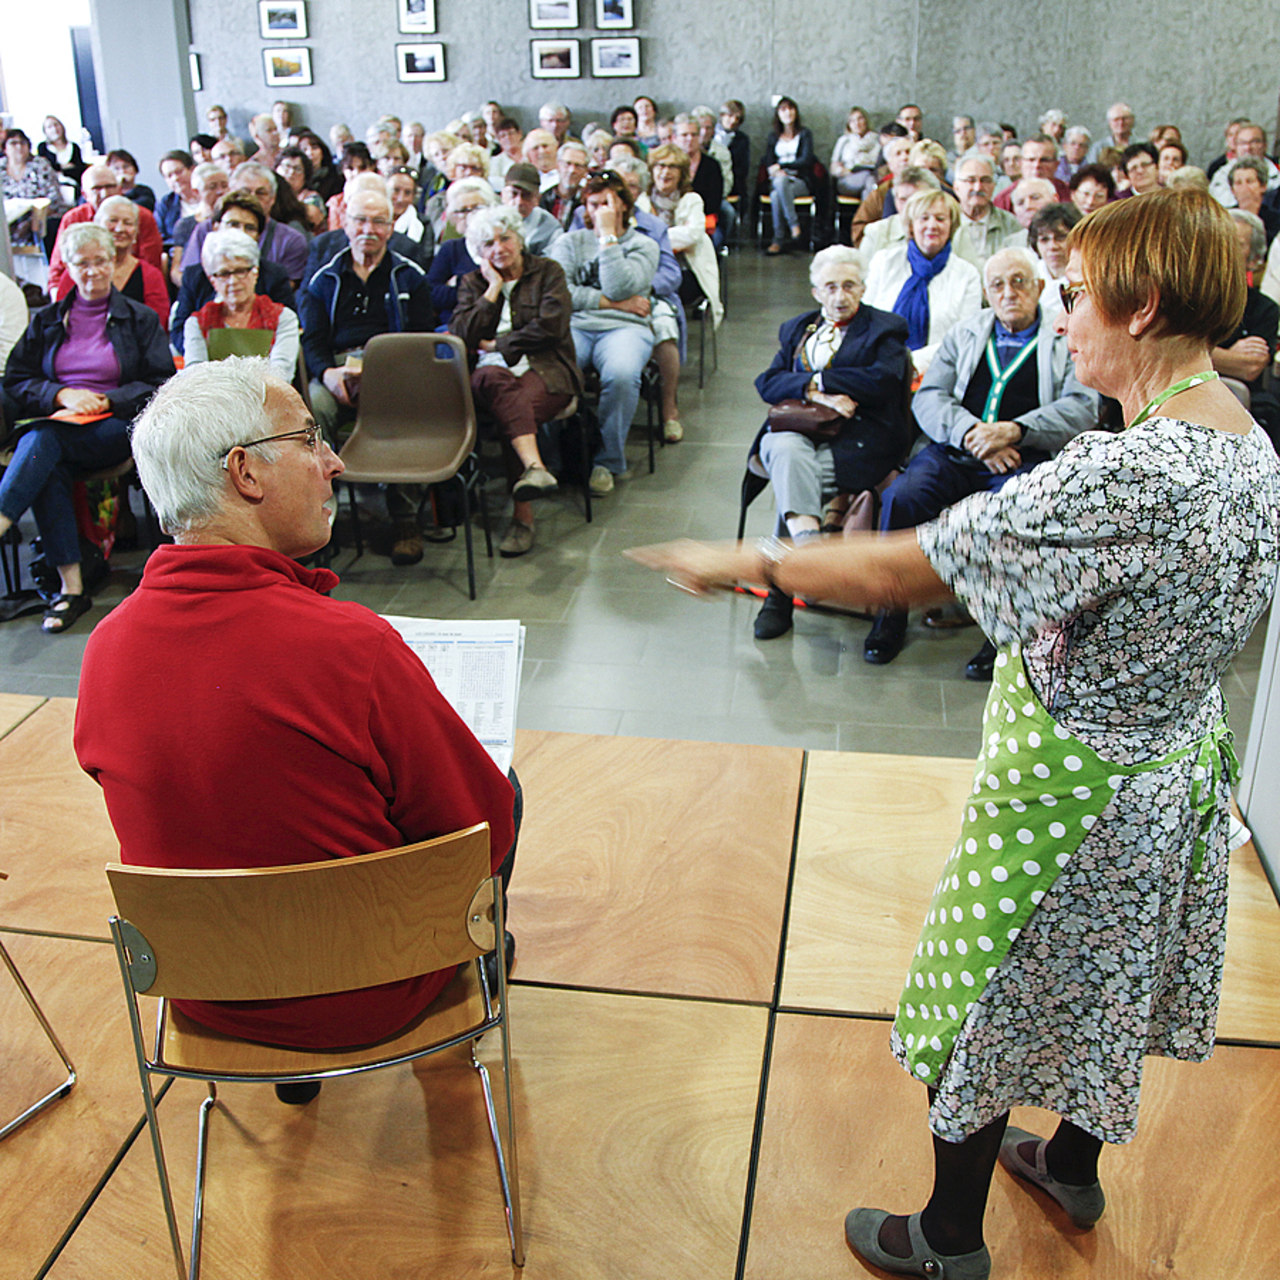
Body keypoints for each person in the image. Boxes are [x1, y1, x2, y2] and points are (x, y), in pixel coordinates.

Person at [631, 184, 1280, 1280]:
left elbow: (915, 561)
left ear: (1140, 305)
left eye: (1074, 296)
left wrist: (756, 562)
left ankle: (944, 1236)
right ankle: (1069, 1164)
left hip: (1074, 801)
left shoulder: (1126, 470)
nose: (1062, 317)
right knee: (1110, 983)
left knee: (979, 1000)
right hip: (1172, 776)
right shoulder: (1247, 444)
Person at [73, 357, 518, 1080]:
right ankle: (486, 966)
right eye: (310, 440)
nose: (334, 462)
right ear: (245, 472)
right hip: (373, 990)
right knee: (507, 788)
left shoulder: (105, 649)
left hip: (207, 991)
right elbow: (477, 832)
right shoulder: (351, 647)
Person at [864, 245, 1098, 671]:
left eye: (1019, 282)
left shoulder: (1062, 339)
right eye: (998, 285)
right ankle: (890, 614)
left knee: (1019, 512)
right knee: (903, 497)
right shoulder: (966, 333)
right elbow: (930, 396)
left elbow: (1083, 406)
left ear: (1040, 286)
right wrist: (973, 433)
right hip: (957, 450)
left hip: (1023, 458)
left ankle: (1003, 635)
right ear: (987, 293)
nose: (1009, 292)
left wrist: (1016, 431)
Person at [1, 224, 174, 634]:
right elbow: (16, 380)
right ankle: (71, 588)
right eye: (83, 263)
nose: (93, 271)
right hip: (60, 423)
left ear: (113, 263)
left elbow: (161, 381)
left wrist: (107, 399)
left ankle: (4, 520)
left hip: (115, 427)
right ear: (68, 267)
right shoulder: (46, 321)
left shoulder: (139, 318)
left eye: (101, 261)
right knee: (48, 456)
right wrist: (61, 395)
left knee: (42, 441)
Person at [748, 246, 911, 641]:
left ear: (864, 287)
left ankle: (780, 593)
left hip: (859, 440)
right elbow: (766, 383)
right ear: (816, 291)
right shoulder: (797, 328)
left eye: (850, 286)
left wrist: (816, 381)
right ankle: (809, 548)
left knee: (790, 476)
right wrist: (817, 391)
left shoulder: (885, 328)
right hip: (796, 431)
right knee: (786, 450)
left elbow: (882, 379)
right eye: (831, 287)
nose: (840, 296)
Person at [298, 185, 434, 564]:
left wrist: (395, 372)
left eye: (378, 221)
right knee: (314, 414)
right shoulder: (324, 279)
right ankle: (321, 517)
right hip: (338, 368)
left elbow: (424, 337)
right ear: (344, 222)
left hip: (395, 369)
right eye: (360, 219)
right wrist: (326, 373)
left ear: (391, 227)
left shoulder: (411, 277)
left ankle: (405, 518)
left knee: (402, 409)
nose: (368, 229)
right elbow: (312, 340)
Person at [451, 205, 583, 558]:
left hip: (547, 369)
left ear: (519, 239)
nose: (499, 248)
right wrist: (492, 289)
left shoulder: (548, 272)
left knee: (514, 410)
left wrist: (499, 344)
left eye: (505, 238)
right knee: (499, 386)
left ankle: (523, 518)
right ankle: (535, 469)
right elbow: (461, 335)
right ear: (479, 252)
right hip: (490, 376)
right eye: (488, 243)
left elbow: (553, 325)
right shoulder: (473, 282)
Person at [548, 169, 658, 496]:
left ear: (623, 205)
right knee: (550, 370)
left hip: (627, 328)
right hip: (577, 324)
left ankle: (608, 461)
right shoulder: (568, 242)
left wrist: (608, 237)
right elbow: (560, 294)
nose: (598, 211)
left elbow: (620, 283)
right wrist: (616, 303)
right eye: (592, 204)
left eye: (606, 203)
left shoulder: (644, 245)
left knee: (622, 374)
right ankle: (550, 459)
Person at [644, 143, 723, 440]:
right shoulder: (641, 198)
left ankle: (668, 397)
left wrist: (656, 239)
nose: (665, 173)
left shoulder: (691, 199)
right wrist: (665, 241)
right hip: (649, 269)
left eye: (672, 168)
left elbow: (692, 234)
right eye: (660, 166)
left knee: (663, 301)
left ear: (681, 173)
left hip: (686, 272)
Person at [863, 189, 983, 377]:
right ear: (911, 226)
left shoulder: (967, 274)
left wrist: (909, 364)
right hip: (876, 365)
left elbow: (962, 338)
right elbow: (864, 320)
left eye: (941, 219)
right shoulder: (884, 262)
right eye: (924, 218)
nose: (932, 225)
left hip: (938, 371)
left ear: (952, 226)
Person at [184, 228, 300, 379]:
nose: (233, 281)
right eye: (224, 273)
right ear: (213, 280)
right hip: (214, 400)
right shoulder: (196, 324)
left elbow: (281, 375)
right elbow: (194, 377)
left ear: (255, 272)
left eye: (240, 271)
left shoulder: (283, 318)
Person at [1212, 209, 1279, 446]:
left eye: (1236, 244)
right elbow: (1167, 351)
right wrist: (1230, 356)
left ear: (1253, 260)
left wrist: (1199, 351)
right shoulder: (1189, 296)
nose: (1225, 249)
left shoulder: (1265, 309)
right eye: (1221, 239)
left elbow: (1250, 367)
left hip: (1241, 403)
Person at [51, 196, 169, 325]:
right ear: (97, 226)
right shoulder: (76, 272)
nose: (120, 229)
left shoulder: (150, 276)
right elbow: (60, 319)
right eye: (112, 221)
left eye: (128, 223)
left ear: (136, 232)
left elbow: (157, 325)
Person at [426, 178, 498, 325]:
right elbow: (431, 294)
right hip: (454, 326)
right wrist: (473, 287)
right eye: (463, 210)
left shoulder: (501, 246)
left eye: (477, 208)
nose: (471, 215)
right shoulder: (450, 249)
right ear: (454, 216)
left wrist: (456, 284)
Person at [760, 97, 815, 255]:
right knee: (777, 191)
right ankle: (793, 228)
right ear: (778, 114)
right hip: (778, 180)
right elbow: (769, 161)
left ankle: (778, 239)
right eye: (783, 109)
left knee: (779, 190)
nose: (788, 112)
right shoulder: (773, 137)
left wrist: (783, 166)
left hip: (799, 181)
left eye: (791, 108)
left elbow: (806, 160)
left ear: (796, 112)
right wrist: (776, 170)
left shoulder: (804, 134)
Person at [3, 128, 70, 252]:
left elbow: (54, 198)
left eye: (23, 143)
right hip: (9, 220)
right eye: (13, 143)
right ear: (4, 148)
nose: (19, 147)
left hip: (42, 216)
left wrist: (32, 218)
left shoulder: (40, 165)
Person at [952, 155, 1019, 272]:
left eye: (985, 180)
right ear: (956, 187)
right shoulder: (945, 225)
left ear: (993, 186)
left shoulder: (1011, 225)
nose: (978, 188)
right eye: (971, 180)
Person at [168, 162, 230, 284]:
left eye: (224, 186)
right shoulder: (185, 225)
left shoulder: (235, 221)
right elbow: (176, 270)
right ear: (196, 192)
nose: (220, 192)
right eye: (212, 187)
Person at [500, 163, 563, 254]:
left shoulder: (549, 227)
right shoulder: (489, 221)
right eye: (513, 194)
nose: (519, 202)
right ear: (502, 194)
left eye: (526, 196)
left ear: (537, 198)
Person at [154, 150, 200, 253]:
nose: (175, 178)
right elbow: (159, 237)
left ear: (192, 170)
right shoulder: (166, 203)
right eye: (169, 176)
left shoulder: (208, 195)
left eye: (179, 172)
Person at [831, 106, 881, 200]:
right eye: (852, 121)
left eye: (860, 119)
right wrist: (844, 170)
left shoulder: (878, 140)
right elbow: (833, 168)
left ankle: (866, 214)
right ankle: (872, 213)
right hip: (849, 178)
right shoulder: (844, 141)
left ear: (866, 121)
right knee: (869, 178)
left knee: (869, 187)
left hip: (874, 177)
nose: (857, 123)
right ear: (848, 124)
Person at [541, 140, 590, 228]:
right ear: (558, 166)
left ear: (585, 171)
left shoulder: (588, 202)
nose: (572, 170)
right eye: (567, 164)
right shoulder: (543, 199)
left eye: (578, 166)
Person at [37, 116, 86, 195]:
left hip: (73, 185)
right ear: (45, 132)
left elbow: (80, 169)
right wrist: (63, 167)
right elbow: (45, 168)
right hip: (52, 186)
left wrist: (60, 170)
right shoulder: (43, 147)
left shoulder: (74, 147)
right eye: (49, 127)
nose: (54, 129)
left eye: (56, 125)